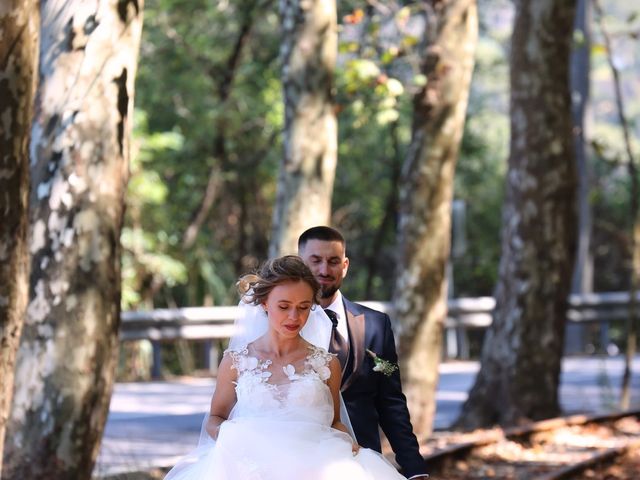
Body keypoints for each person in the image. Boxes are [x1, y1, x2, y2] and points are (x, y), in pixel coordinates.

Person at [164, 255, 407, 480]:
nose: (294, 317)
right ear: (264, 304)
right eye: (284, 306)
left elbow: (333, 421)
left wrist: (347, 442)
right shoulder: (236, 361)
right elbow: (215, 418)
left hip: (314, 468)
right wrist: (234, 440)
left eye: (303, 307)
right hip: (250, 468)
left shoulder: (326, 363)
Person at [298, 226, 428, 480]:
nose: (324, 270)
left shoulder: (377, 325)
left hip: (363, 462)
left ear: (345, 265)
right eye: (315, 261)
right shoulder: (284, 325)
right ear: (300, 263)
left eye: (333, 261)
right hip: (301, 462)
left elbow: (391, 402)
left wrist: (414, 468)